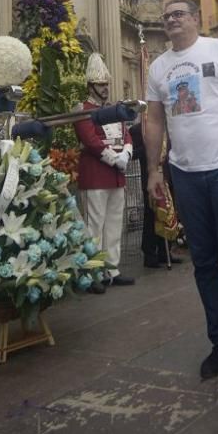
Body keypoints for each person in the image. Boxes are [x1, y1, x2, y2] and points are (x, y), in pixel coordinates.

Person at [143, 0, 218, 389]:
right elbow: (155, 119)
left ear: (196, 19)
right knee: (204, 263)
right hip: (186, 172)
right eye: (166, 16)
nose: (171, 20)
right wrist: (153, 169)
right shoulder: (158, 67)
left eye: (179, 13)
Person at [73, 54, 135, 294]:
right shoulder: (81, 110)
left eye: (106, 84)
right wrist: (114, 158)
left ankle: (111, 269)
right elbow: (90, 140)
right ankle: (91, 272)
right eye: (101, 85)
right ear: (90, 86)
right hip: (96, 174)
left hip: (116, 175)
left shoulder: (112, 109)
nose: (105, 89)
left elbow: (126, 133)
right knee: (94, 225)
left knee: (113, 224)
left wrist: (127, 154)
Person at [129, 122, 183, 269]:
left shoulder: (170, 126)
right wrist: (149, 149)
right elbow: (133, 153)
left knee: (168, 213)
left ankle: (165, 252)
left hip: (169, 176)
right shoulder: (139, 129)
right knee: (151, 215)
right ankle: (150, 253)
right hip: (151, 179)